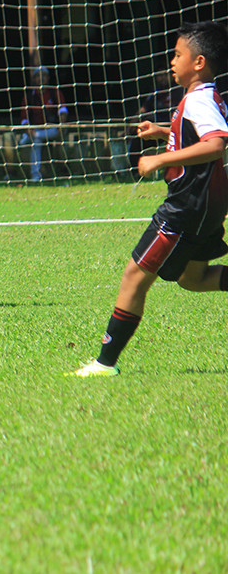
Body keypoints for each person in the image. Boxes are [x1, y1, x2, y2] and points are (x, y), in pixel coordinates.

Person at [69, 21, 228, 377]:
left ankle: (104, 364)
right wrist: (164, 133)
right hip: (207, 204)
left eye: (177, 54)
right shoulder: (204, 96)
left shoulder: (199, 99)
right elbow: (196, 138)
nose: (171, 61)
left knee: (134, 275)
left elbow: (216, 142)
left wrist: (159, 158)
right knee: (193, 278)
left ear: (198, 62)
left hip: (187, 206)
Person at [15, 65, 68, 182]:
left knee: (36, 139)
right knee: (34, 140)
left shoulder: (55, 93)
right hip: (36, 130)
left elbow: (63, 110)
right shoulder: (29, 97)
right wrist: (28, 130)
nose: (41, 78)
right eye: (38, 76)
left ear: (48, 78)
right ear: (34, 79)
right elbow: (24, 118)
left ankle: (36, 175)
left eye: (44, 76)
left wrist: (61, 124)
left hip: (53, 128)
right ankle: (34, 174)